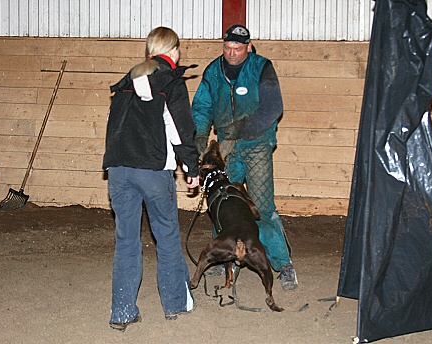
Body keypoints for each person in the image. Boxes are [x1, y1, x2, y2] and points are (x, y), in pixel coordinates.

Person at [102, 27, 200, 331]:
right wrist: (192, 169)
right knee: (167, 236)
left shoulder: (125, 84)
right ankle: (174, 304)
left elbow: (112, 127)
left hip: (118, 169)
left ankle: (121, 311)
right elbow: (181, 130)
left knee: (126, 241)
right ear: (174, 51)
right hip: (154, 171)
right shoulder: (171, 83)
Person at [191, 24, 298, 292]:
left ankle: (283, 264)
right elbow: (202, 107)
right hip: (228, 146)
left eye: (238, 49)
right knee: (222, 204)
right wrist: (200, 142)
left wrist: (241, 131)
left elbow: (273, 107)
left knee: (262, 207)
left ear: (248, 47)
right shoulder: (213, 72)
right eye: (227, 47)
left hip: (257, 143)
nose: (232, 53)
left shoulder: (262, 67)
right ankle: (218, 259)